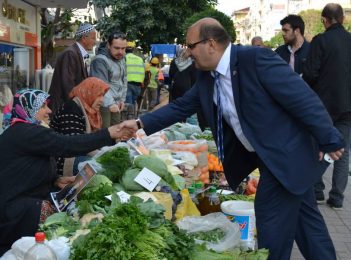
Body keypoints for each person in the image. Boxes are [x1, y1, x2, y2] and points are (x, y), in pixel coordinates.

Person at [120, 17, 344, 259]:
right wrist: (140, 123)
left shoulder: (256, 59)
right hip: (269, 159)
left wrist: (329, 138)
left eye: (190, 46)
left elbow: (302, 98)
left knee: (271, 223)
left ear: (211, 44)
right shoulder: (208, 76)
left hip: (287, 157)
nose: (187, 52)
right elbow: (181, 106)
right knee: (306, 222)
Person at [0, 89, 133, 258]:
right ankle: (27, 249)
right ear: (29, 108)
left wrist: (56, 180)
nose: (49, 110)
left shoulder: (24, 130)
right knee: (47, 210)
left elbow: (26, 170)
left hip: (0, 199)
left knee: (58, 201)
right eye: (43, 106)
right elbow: (67, 144)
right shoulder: (26, 132)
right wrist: (110, 133)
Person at [303, 3, 351, 209]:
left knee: (318, 146)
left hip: (324, 105)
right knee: (343, 150)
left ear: (324, 20)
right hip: (348, 106)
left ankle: (316, 190)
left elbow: (311, 73)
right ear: (342, 19)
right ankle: (338, 197)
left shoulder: (320, 41)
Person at [50, 77, 109, 176]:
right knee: (101, 169)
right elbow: (75, 144)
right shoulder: (71, 108)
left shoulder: (91, 111)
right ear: (89, 92)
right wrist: (101, 156)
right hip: (63, 160)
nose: (102, 100)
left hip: (80, 154)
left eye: (103, 96)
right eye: (99, 95)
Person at [48, 23, 96, 113]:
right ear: (84, 38)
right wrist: (77, 106)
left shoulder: (76, 53)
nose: (95, 42)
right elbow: (68, 85)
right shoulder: (71, 53)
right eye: (93, 38)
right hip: (63, 107)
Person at [89, 32, 128, 127]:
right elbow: (100, 85)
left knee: (116, 133)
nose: (120, 52)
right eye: (117, 48)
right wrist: (110, 104)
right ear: (108, 46)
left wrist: (122, 99)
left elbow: (124, 80)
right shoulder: (100, 61)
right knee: (105, 134)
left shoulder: (122, 59)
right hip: (103, 104)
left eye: (123, 48)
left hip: (116, 103)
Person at [125, 41, 145, 117]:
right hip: (138, 85)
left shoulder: (124, 58)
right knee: (133, 103)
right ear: (133, 49)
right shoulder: (139, 59)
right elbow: (143, 71)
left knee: (128, 104)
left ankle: (130, 119)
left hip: (128, 84)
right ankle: (132, 117)